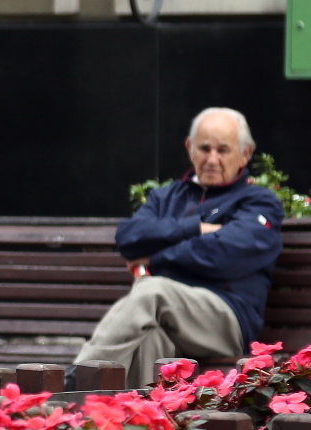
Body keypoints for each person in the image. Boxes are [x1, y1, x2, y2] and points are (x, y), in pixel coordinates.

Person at [71, 108, 284, 389]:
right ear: (189, 148)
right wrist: (195, 228)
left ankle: (73, 383)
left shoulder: (259, 202)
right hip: (165, 319)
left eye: (223, 150)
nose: (212, 159)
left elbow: (224, 254)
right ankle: (134, 415)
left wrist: (155, 258)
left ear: (245, 154)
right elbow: (128, 237)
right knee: (151, 340)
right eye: (204, 149)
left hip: (224, 319)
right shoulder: (165, 197)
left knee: (151, 289)